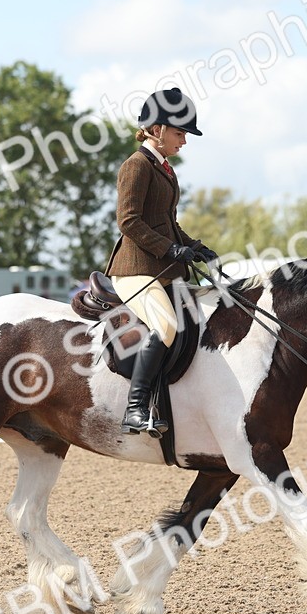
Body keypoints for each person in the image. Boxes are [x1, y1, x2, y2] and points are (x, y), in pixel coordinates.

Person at [103, 87, 218, 435]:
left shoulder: (164, 168)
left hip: (163, 269)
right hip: (135, 270)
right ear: (157, 129)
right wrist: (169, 250)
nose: (184, 141)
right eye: (180, 133)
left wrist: (196, 247)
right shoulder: (136, 165)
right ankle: (135, 408)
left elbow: (168, 223)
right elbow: (129, 221)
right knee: (166, 327)